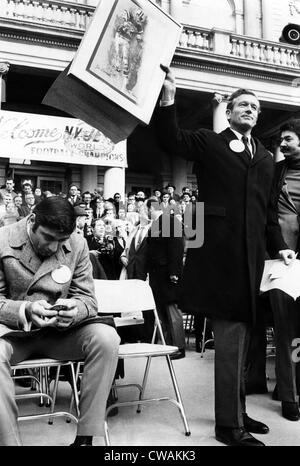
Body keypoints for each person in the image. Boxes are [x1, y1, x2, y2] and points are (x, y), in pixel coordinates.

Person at [156, 65, 294, 447]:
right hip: (219, 259)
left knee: (245, 338)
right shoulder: (209, 141)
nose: (249, 110)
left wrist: (280, 244)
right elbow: (170, 139)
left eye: (254, 107)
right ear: (229, 111)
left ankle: (237, 411)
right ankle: (229, 426)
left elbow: (268, 214)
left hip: (253, 263)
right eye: (242, 105)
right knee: (232, 337)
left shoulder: (265, 158)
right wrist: (168, 97)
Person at [0, 197, 120, 446]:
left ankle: (86, 438)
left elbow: (88, 299)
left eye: (61, 240)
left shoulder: (78, 244)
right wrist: (26, 309)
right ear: (32, 220)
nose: (54, 247)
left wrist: (74, 310)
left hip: (59, 334)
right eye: (48, 237)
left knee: (107, 338)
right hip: (13, 334)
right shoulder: (3, 239)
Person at [266, 119, 300, 421]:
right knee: (285, 332)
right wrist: (278, 246)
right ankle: (289, 397)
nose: (282, 144)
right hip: (282, 263)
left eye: (287, 139)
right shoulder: (275, 172)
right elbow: (268, 215)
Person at [146, 198, 186, 359]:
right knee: (162, 312)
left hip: (168, 276)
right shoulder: (156, 225)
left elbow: (177, 247)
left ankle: (179, 347)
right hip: (157, 276)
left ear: (151, 209)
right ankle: (168, 347)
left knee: (172, 311)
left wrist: (174, 272)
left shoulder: (170, 222)